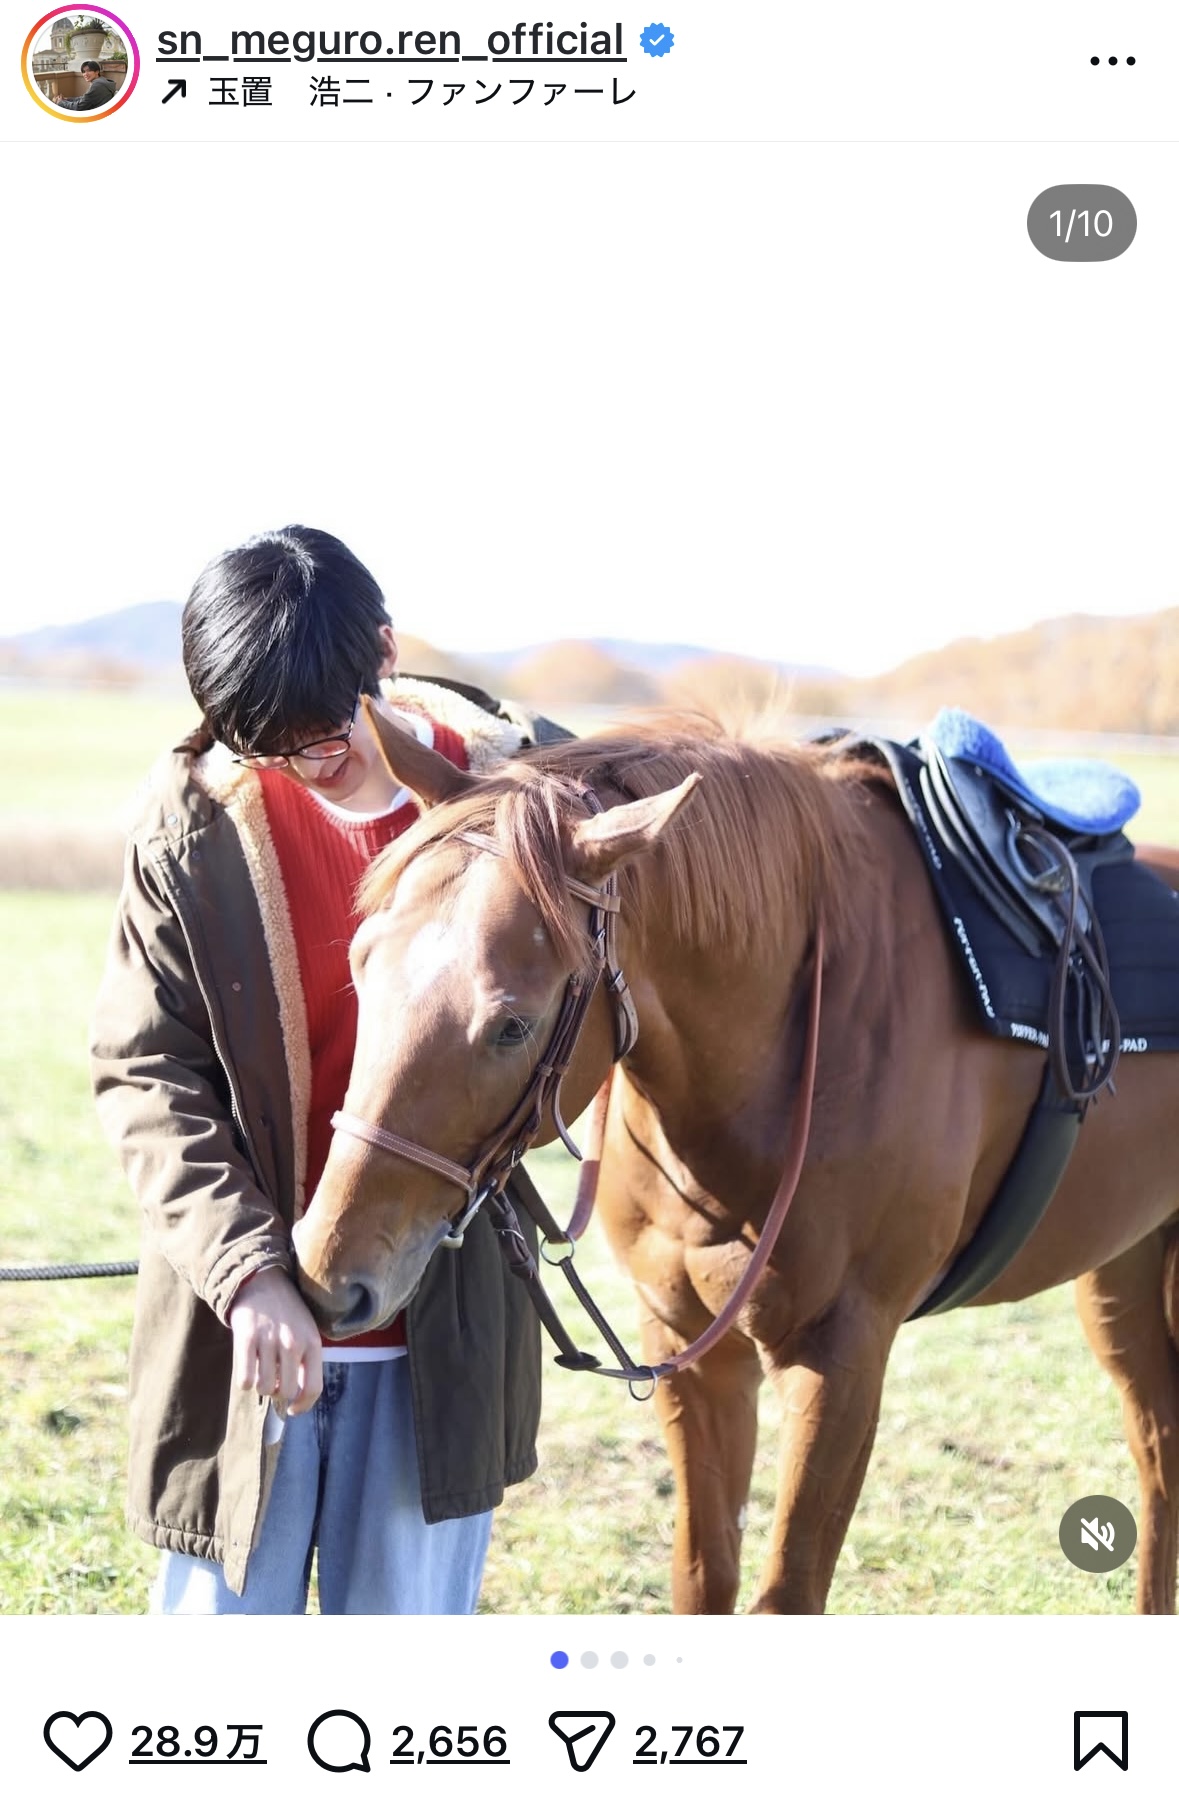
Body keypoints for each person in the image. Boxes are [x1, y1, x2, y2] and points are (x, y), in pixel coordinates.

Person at [91, 526, 567, 1613]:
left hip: (438, 1346)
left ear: (386, 655)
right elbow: (145, 1072)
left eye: (321, 736)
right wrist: (249, 1275)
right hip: (239, 1343)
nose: (301, 767)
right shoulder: (190, 833)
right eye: (264, 744)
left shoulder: (521, 810)